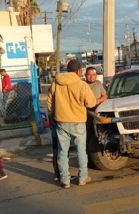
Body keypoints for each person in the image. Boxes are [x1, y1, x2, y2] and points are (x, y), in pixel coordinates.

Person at [47, 60, 96, 189]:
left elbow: (49, 103)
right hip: (78, 122)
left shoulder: (56, 83)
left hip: (61, 122)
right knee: (81, 151)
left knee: (63, 152)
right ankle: (82, 178)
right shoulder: (82, 85)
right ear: (79, 71)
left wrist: (52, 115)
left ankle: (65, 180)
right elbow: (91, 103)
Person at [84, 67, 108, 149]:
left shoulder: (98, 83)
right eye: (89, 75)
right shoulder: (82, 85)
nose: (91, 77)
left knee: (99, 134)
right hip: (85, 114)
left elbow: (105, 96)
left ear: (96, 76)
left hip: (97, 112)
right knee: (87, 134)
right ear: (85, 75)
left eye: (93, 75)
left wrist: (98, 101)